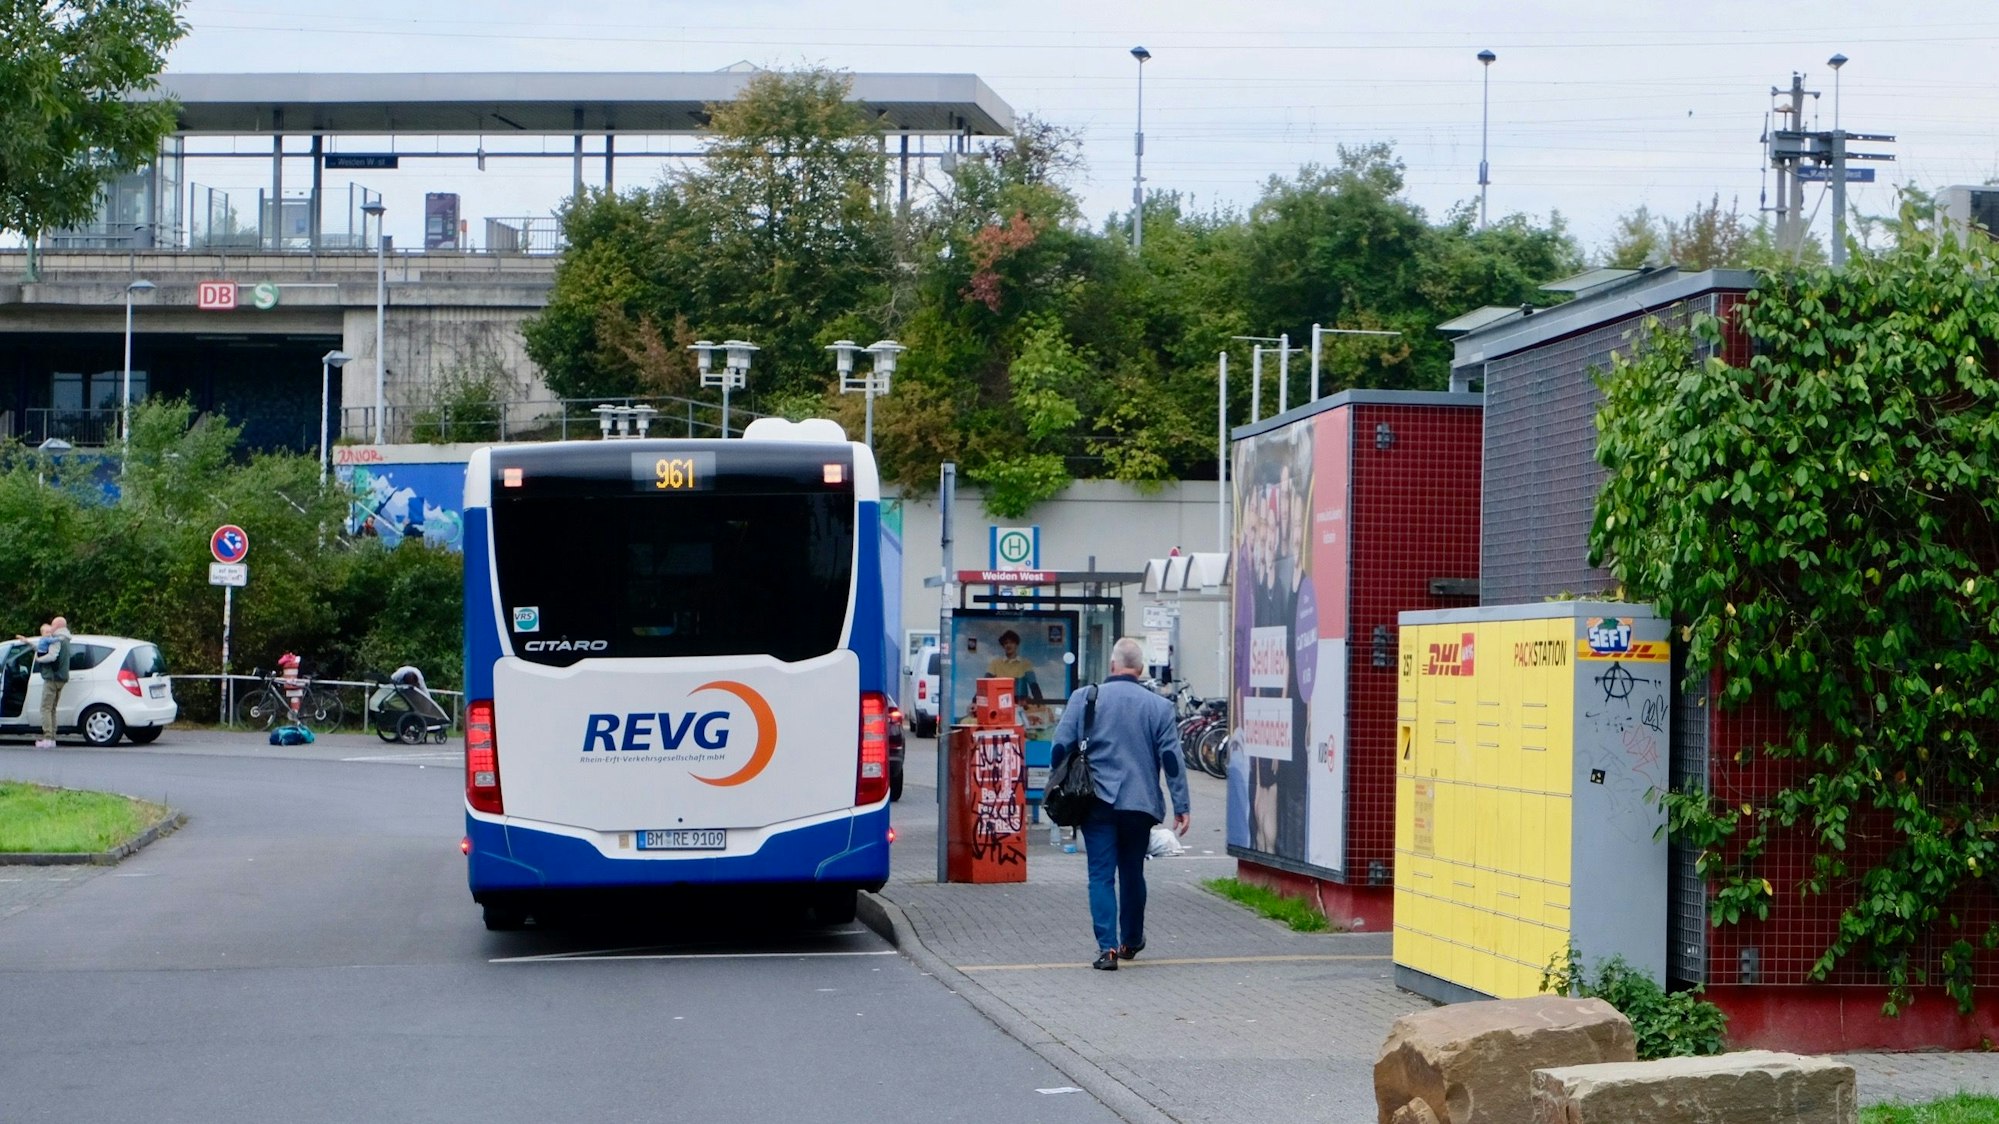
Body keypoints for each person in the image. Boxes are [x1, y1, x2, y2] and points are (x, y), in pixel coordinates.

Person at [1047, 636, 1191, 971]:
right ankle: (1131, 940)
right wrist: (1182, 804)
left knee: (1100, 875)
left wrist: (1054, 785)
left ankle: (1107, 949)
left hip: (1095, 800)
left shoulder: (1085, 698)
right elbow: (1171, 759)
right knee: (1132, 872)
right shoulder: (1159, 707)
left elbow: (1060, 747)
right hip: (1139, 804)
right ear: (1140, 669)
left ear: (1112, 665)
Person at [34, 616, 72, 748]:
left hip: (52, 678)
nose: (51, 627)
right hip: (62, 678)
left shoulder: (56, 641)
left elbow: (52, 656)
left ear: (58, 626)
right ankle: (53, 737)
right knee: (53, 709)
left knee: (45, 708)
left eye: (53, 625)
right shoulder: (67, 639)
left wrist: (39, 660)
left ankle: (47, 738)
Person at [985, 629, 1042, 700]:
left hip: (1020, 705)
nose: (1008, 645)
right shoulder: (995, 663)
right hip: (1000, 703)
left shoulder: (1025, 663)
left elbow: (1033, 684)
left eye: (1011, 642)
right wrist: (975, 701)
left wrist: (1040, 701)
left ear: (1016, 645)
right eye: (1006, 643)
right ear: (1003, 646)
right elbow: (985, 684)